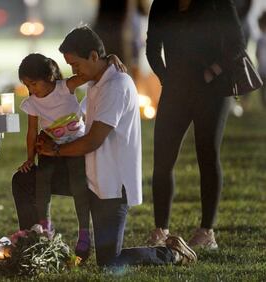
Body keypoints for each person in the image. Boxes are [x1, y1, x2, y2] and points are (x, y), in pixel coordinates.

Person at [14, 25, 197, 267]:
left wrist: (55, 151)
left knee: (110, 262)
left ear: (92, 56)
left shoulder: (116, 86)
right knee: (24, 180)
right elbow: (74, 121)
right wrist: (48, 139)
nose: (72, 71)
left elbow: (92, 140)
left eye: (75, 64)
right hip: (87, 176)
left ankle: (170, 253)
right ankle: (34, 246)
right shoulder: (94, 82)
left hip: (110, 188)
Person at [146, 0, 246, 249]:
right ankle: (160, 230)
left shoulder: (218, 3)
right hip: (176, 91)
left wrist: (210, 73)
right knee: (163, 159)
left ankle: (206, 232)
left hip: (213, 90)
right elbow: (152, 48)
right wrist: (165, 77)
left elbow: (237, 46)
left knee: (207, 155)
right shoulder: (162, 4)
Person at [17, 53, 91, 259]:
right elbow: (31, 132)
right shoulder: (32, 102)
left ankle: (84, 231)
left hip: (76, 146)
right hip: (50, 148)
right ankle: (45, 227)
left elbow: (89, 73)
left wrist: (110, 58)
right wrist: (30, 158)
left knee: (79, 184)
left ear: (49, 77)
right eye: (26, 85)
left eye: (33, 84)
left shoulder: (65, 87)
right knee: (42, 180)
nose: (31, 90)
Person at [256, 11, 266, 108]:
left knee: (262, 90)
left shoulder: (260, 39)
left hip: (262, 69)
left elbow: (257, 54)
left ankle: (264, 106)